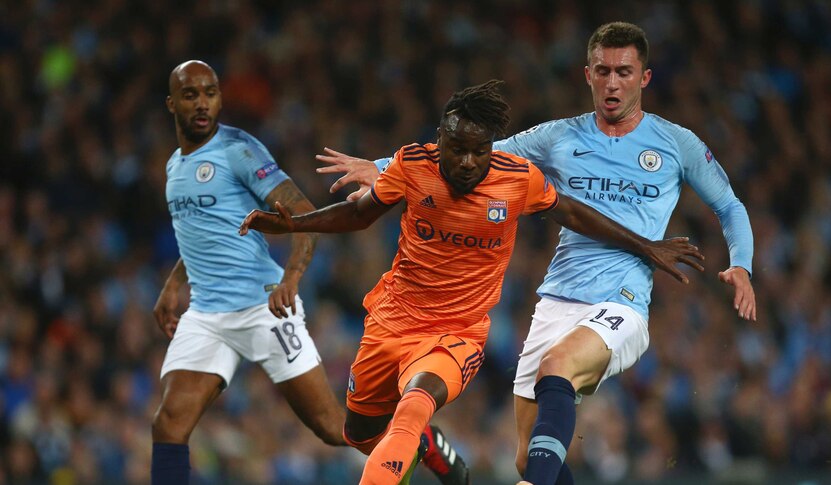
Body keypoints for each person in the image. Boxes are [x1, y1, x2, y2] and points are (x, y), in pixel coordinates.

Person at [314, 22, 756, 485]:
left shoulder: (676, 143)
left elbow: (729, 204)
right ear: (587, 74)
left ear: (644, 78)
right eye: (602, 70)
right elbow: (475, 152)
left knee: (558, 368)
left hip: (621, 299)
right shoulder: (557, 138)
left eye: (624, 72)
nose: (612, 82)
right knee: (530, 458)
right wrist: (382, 167)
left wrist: (741, 264)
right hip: (557, 299)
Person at [240, 80, 705, 485]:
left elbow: (574, 212)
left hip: (456, 334)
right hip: (392, 321)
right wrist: (296, 224)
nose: (466, 162)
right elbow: (359, 214)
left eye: (478, 152)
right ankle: (430, 448)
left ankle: (417, 434)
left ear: (492, 149)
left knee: (413, 408)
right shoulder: (411, 165)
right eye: (456, 148)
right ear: (439, 140)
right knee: (361, 435)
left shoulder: (517, 179)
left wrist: (647, 246)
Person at [151, 60, 467, 485]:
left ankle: (422, 440)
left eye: (210, 92)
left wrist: (290, 279)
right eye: (191, 95)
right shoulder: (175, 166)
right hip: (207, 316)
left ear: (221, 98)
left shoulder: (238, 151)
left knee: (335, 428)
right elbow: (203, 236)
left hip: (263, 308)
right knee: (168, 424)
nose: (202, 103)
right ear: (172, 104)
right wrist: (173, 285)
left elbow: (302, 215)